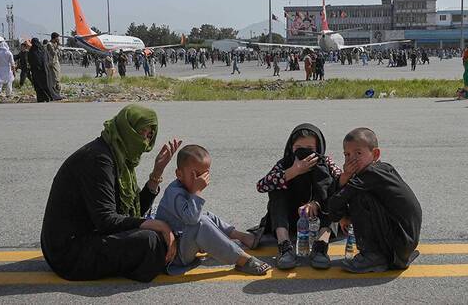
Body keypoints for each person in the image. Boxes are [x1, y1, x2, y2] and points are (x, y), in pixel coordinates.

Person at [41, 105, 182, 282]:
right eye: (141, 133)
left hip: (89, 233)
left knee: (160, 229)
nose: (144, 142)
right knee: (150, 241)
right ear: (126, 129)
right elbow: (107, 220)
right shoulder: (99, 159)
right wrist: (159, 225)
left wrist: (156, 174)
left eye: (149, 136)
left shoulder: (118, 156)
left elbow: (132, 212)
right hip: (68, 253)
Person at [155, 145, 271, 276]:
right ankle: (242, 260)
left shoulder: (187, 188)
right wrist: (197, 191)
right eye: (195, 174)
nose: (200, 180)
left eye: (204, 174)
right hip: (175, 255)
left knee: (206, 215)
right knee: (200, 221)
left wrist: (195, 191)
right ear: (179, 174)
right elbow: (192, 219)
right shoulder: (174, 193)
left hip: (183, 241)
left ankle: (241, 236)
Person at [253, 124, 346, 270]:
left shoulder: (325, 162)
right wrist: (293, 171)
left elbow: (342, 182)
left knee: (334, 192)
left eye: (309, 149)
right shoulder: (285, 163)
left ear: (318, 148)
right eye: (298, 148)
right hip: (290, 218)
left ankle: (321, 245)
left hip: (319, 218)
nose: (303, 153)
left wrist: (317, 202)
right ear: (291, 148)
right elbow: (261, 186)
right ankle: (284, 246)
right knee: (277, 189)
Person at [328, 128, 422, 273]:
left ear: (375, 154)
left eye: (358, 153)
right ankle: (383, 255)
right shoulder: (383, 169)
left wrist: (344, 183)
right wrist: (344, 179)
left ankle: (373, 256)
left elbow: (333, 206)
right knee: (355, 192)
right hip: (403, 244)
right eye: (347, 154)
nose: (351, 159)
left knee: (359, 196)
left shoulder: (370, 174)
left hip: (399, 243)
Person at [27, 38, 54, 102]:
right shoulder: (43, 49)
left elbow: (30, 61)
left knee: (38, 85)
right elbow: (48, 59)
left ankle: (42, 98)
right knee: (46, 84)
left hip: (36, 71)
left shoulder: (31, 51)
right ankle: (48, 97)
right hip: (45, 70)